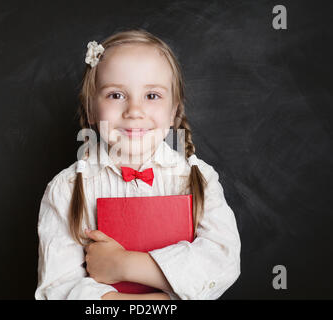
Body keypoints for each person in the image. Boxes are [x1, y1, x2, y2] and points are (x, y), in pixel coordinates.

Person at [35, 29, 241, 300]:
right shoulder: (66, 189)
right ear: (90, 109)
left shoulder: (197, 178)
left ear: (174, 111)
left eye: (152, 95)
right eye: (116, 95)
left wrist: (124, 265)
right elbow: (58, 287)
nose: (134, 110)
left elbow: (222, 262)